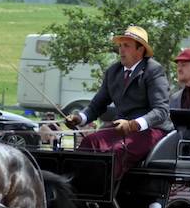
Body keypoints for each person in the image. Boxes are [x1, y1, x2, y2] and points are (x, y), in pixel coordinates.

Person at [66, 26, 171, 179]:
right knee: (89, 142)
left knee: (117, 151)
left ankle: (105, 198)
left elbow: (161, 111)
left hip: (152, 130)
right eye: (120, 46)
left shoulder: (153, 70)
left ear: (140, 49)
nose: (121, 50)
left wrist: (133, 124)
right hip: (122, 129)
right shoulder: (113, 72)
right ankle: (81, 193)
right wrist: (80, 118)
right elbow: (97, 105)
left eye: (126, 46)